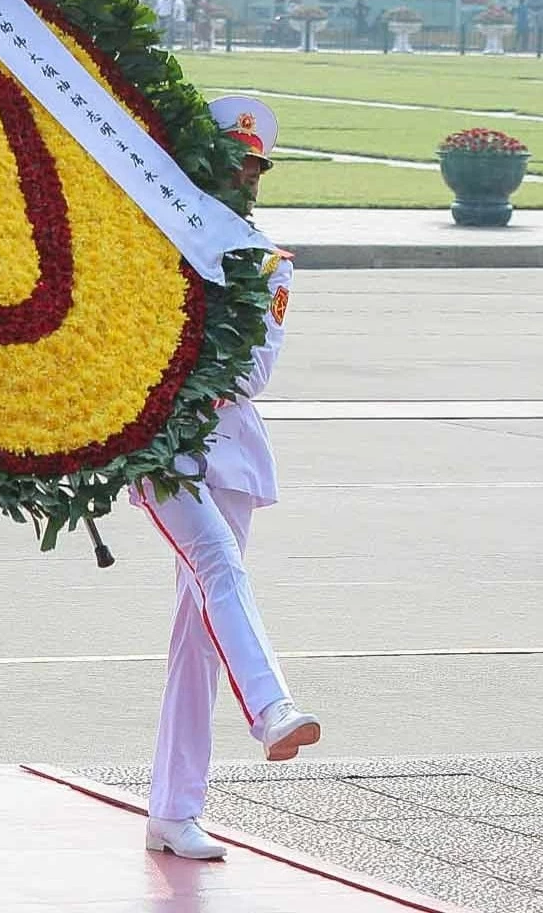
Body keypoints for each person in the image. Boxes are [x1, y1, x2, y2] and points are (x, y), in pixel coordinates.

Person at [140, 97, 321, 863]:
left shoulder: (267, 262)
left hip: (233, 449)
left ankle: (173, 809)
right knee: (219, 564)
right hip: (163, 449)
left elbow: (253, 370)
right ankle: (272, 707)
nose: (244, 176)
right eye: (233, 161)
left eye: (254, 166)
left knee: (199, 638)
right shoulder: (156, 242)